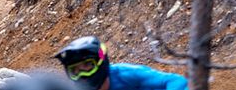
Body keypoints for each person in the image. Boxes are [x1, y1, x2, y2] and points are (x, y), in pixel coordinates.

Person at [55, 36, 188, 90]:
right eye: (75, 71)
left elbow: (176, 81)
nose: (82, 75)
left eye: (87, 66)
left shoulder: (127, 74)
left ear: (101, 62)